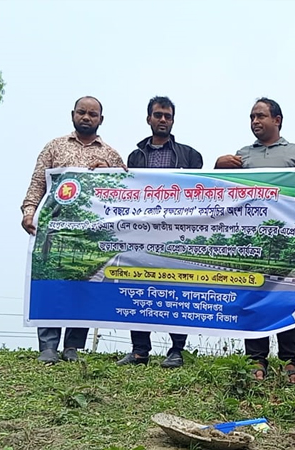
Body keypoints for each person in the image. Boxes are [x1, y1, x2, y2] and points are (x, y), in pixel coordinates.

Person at [215, 97, 295, 384]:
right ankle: (256, 358)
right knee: (253, 298)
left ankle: (289, 360)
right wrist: (219, 166)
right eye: (252, 117)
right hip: (251, 241)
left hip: (286, 242)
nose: (255, 121)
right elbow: (222, 190)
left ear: (277, 120)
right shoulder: (242, 156)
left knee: (286, 299)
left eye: (260, 116)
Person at [21, 96, 126, 364]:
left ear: (101, 119)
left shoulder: (111, 154)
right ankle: (48, 346)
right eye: (82, 112)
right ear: (73, 115)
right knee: (51, 283)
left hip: (91, 233)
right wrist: (28, 212)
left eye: (93, 114)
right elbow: (38, 183)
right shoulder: (54, 147)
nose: (86, 117)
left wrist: (110, 171)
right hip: (55, 229)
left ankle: (72, 347)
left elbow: (124, 190)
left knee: (83, 286)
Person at [117, 96, 204, 369]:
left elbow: (200, 192)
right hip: (142, 234)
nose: (163, 120)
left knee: (177, 288)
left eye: (167, 116)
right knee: (138, 287)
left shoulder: (190, 156)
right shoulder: (135, 157)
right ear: (149, 119)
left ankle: (176, 350)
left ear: (173, 120)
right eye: (158, 115)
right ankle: (139, 351)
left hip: (177, 235)